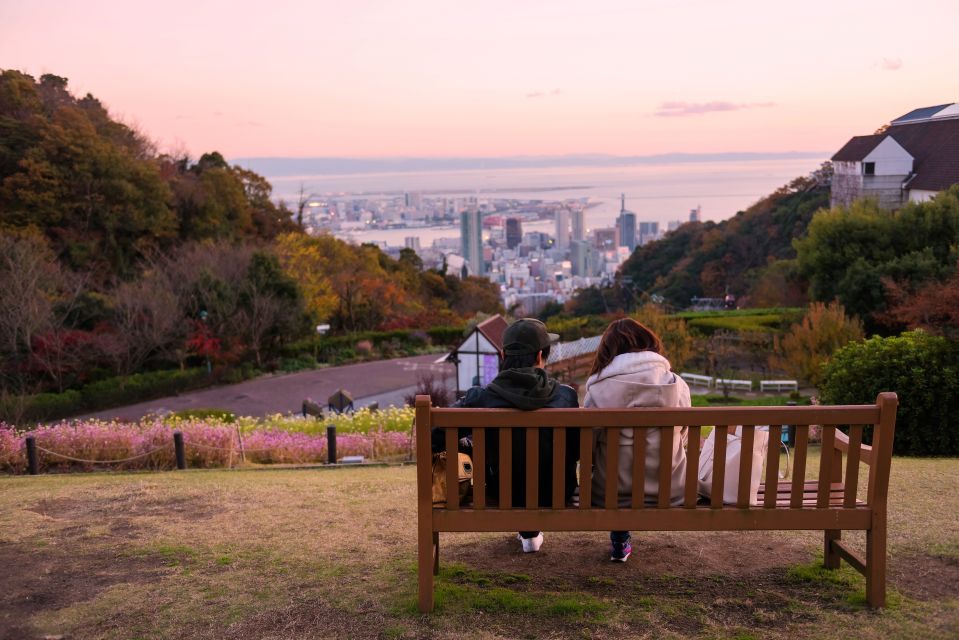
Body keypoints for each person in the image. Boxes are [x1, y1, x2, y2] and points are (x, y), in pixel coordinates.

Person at [431, 318, 579, 553]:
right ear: (540, 356)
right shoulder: (566, 397)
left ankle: (529, 533)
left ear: (502, 355)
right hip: (558, 492)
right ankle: (530, 533)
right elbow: (577, 449)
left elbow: (434, 438)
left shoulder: (481, 399)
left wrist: (468, 445)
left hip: (503, 493)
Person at [584, 317, 691, 562]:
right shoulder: (677, 385)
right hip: (671, 490)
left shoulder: (597, 390)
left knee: (614, 469)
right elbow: (683, 434)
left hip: (609, 492)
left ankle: (620, 538)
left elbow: (587, 446)